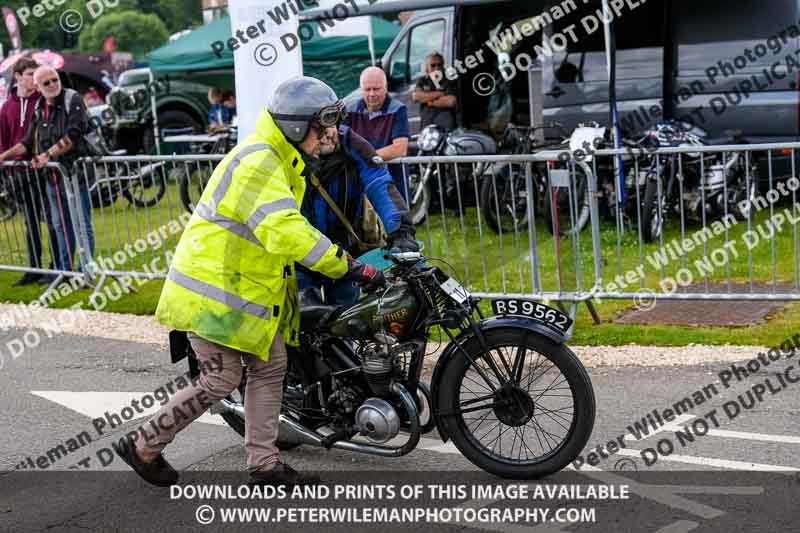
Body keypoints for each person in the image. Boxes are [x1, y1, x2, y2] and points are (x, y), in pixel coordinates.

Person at [113, 76, 386, 488]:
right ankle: (143, 444)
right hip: (215, 293)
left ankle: (264, 465)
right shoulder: (261, 162)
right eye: (322, 127)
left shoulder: (281, 158)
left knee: (271, 366)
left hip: (243, 291)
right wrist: (346, 266)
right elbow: (285, 230)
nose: (329, 135)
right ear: (297, 126)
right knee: (221, 379)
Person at [299, 124, 418, 306]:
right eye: (318, 129)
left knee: (347, 315)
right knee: (305, 315)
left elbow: (378, 182)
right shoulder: (286, 152)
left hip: (345, 253)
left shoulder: (351, 143)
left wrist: (401, 231)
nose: (327, 134)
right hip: (301, 254)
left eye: (330, 124)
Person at [0, 66, 95, 273]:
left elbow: (74, 134)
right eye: (46, 82)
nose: (53, 84)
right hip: (53, 178)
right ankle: (66, 271)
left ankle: (85, 272)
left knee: (82, 224)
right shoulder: (39, 108)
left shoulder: (73, 99)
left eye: (55, 79)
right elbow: (27, 142)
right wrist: (4, 156)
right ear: (37, 87)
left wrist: (47, 155)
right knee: (60, 226)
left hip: (75, 175)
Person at [0, 57, 58, 285]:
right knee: (30, 222)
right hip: (19, 172)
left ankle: (56, 267)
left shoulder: (43, 101)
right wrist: (8, 169)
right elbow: (3, 140)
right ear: (17, 77)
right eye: (29, 74)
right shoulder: (7, 107)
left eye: (36, 74)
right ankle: (34, 269)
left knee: (52, 219)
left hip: (44, 169)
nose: (34, 79)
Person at [345, 67, 410, 202]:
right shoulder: (349, 110)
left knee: (396, 214)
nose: (372, 94)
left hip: (392, 180)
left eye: (376, 89)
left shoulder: (398, 109)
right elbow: (342, 143)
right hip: (360, 181)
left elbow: (400, 148)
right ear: (361, 89)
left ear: (386, 87)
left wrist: (365, 158)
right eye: (367, 89)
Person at [412, 52, 458, 131]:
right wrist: (441, 94)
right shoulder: (422, 80)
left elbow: (451, 102)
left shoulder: (449, 80)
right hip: (427, 126)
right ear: (427, 68)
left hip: (446, 126)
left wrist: (427, 101)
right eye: (433, 65)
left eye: (439, 65)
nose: (437, 68)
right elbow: (416, 97)